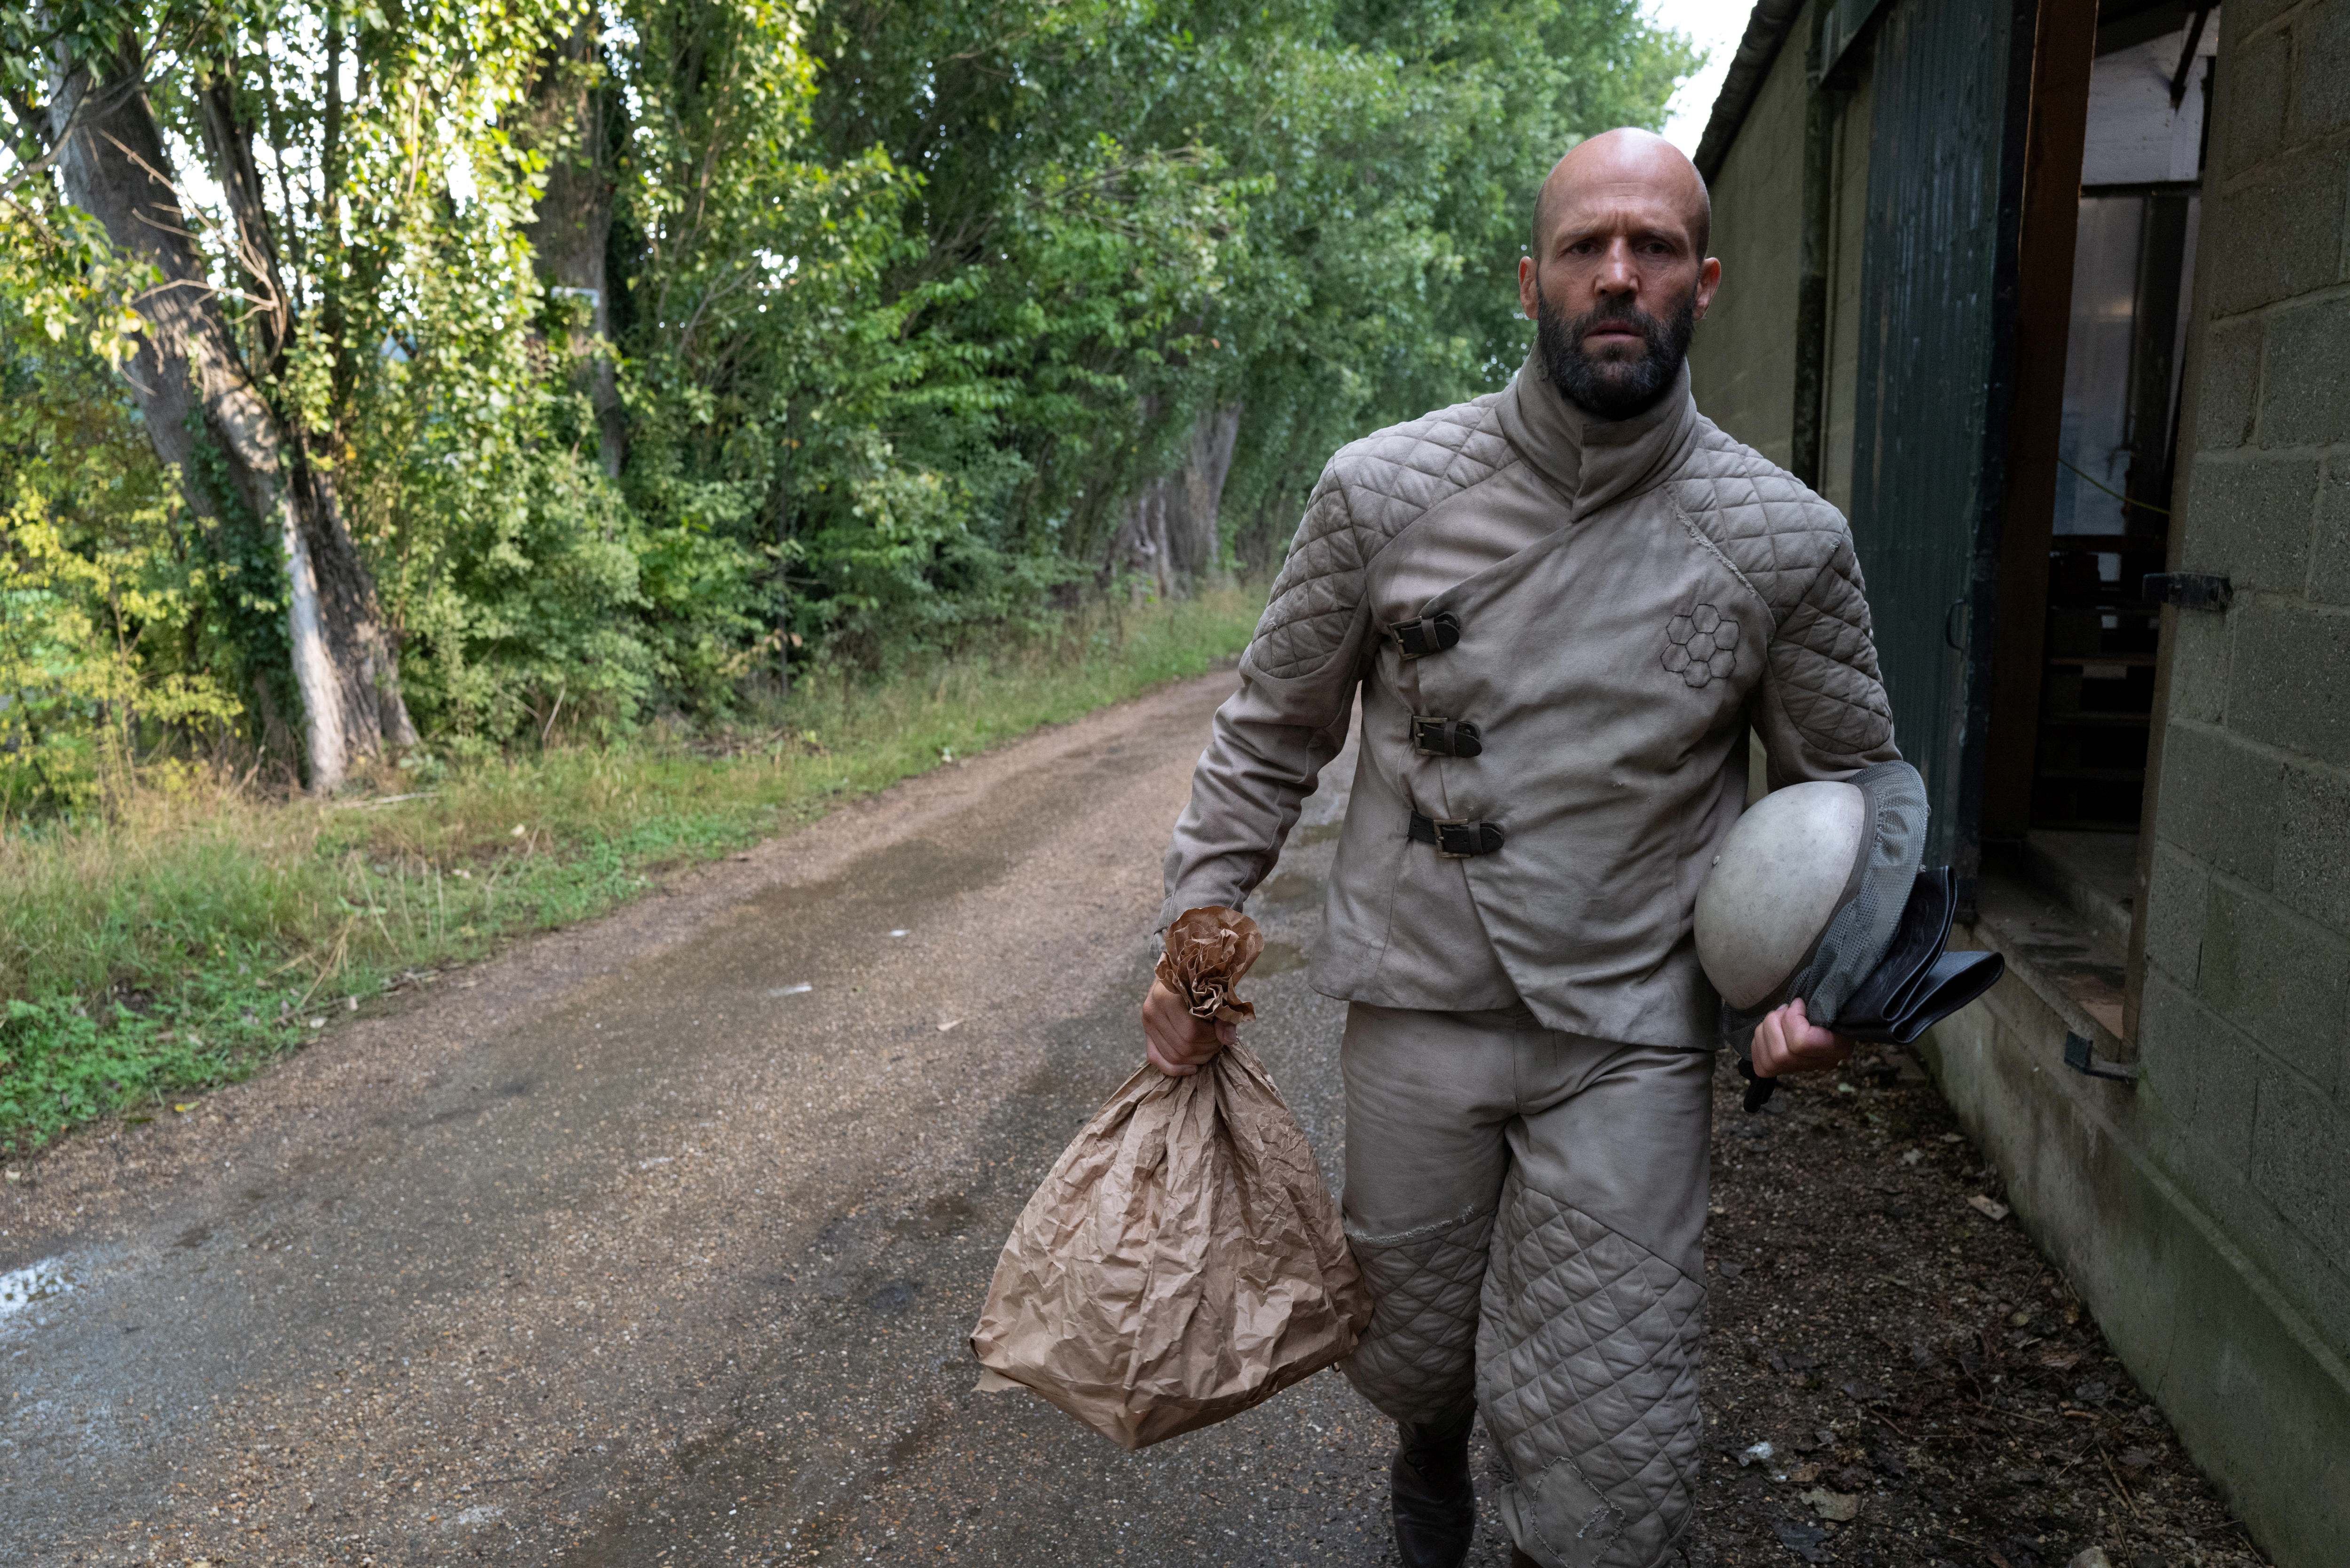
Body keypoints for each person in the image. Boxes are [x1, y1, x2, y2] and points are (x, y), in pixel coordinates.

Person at [1139, 129, 1898, 1568]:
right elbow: (1270, 728)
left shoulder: (1785, 541)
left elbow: (1858, 787)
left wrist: (1841, 984)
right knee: (1413, 1352)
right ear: (1534, 278)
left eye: (1655, 248)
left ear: (1705, 279)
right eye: (1586, 247)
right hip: (1421, 996)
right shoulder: (1381, 490)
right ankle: (1432, 1456)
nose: (1620, 275)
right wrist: (1199, 918)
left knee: (1613, 1437)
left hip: (1631, 1026)